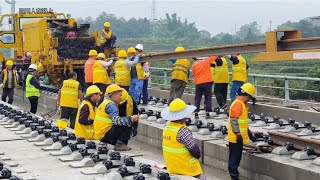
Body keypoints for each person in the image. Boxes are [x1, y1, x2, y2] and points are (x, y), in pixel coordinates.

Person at [161, 98, 204, 179]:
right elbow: (196, 152)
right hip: (187, 169)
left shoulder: (167, 128)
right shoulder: (183, 131)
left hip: (172, 168)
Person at [94, 84, 139, 151]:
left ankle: (119, 143)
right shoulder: (111, 106)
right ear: (114, 95)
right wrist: (131, 118)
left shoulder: (105, 102)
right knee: (127, 122)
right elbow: (117, 121)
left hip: (100, 134)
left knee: (126, 120)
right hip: (105, 135)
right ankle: (120, 145)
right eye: (120, 95)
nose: (121, 98)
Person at [228, 83, 255, 180]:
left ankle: (235, 174)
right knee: (234, 158)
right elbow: (234, 120)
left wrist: (249, 133)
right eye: (249, 98)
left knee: (237, 157)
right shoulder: (238, 104)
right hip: (236, 138)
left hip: (239, 138)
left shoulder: (241, 104)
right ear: (247, 95)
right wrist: (238, 133)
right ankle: (234, 176)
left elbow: (241, 122)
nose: (249, 100)